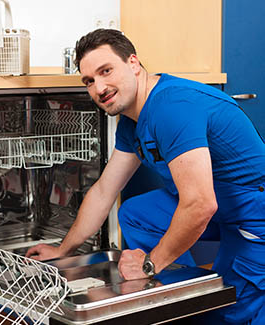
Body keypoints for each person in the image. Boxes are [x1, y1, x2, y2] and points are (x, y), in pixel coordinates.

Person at [26, 29, 265, 324]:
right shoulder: (131, 121)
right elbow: (104, 191)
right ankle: (180, 289)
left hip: (254, 214)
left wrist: (149, 264)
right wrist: (63, 252)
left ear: (134, 63)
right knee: (137, 214)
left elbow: (200, 204)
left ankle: (184, 289)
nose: (99, 88)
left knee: (231, 311)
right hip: (218, 203)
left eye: (106, 71)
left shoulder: (171, 108)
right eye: (89, 81)